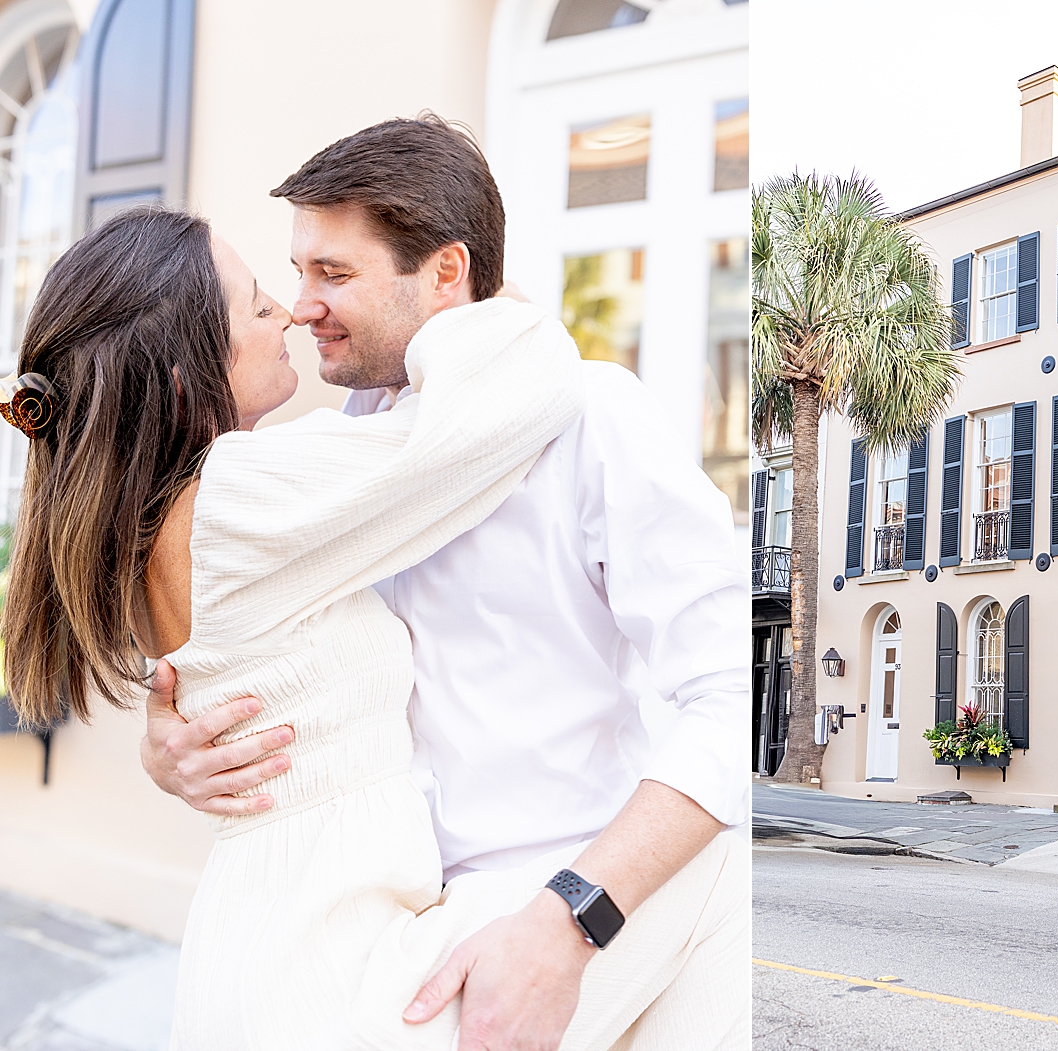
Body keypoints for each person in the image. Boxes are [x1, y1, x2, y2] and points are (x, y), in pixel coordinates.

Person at [142, 117, 748, 1050]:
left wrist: (572, 919)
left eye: (333, 274)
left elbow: (726, 701)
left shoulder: (596, 420)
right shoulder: (340, 459)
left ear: (446, 272)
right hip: (398, 946)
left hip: (573, 910)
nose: (302, 306)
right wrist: (176, 746)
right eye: (297, 272)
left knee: (730, 875)